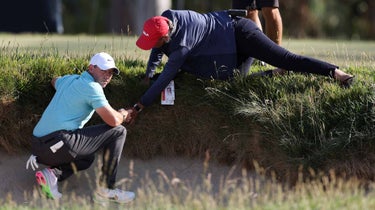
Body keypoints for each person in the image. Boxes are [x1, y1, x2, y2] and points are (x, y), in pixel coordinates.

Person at [130, 9, 354, 120]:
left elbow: (167, 75)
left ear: (165, 34)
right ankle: (275, 74)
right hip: (227, 50)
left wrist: (140, 104)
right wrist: (148, 73)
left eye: (155, 41)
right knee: (235, 84)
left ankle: (334, 72)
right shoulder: (167, 18)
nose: (153, 45)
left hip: (241, 34)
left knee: (286, 58)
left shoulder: (182, 45)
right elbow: (157, 47)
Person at [25, 52, 135, 204]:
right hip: (58, 143)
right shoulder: (92, 87)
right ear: (91, 68)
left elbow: (54, 80)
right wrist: (124, 113)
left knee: (86, 158)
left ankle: (52, 174)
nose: (108, 76)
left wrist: (69, 83)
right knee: (119, 132)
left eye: (110, 72)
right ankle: (106, 188)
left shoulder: (69, 80)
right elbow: (114, 121)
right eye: (104, 70)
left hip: (39, 147)